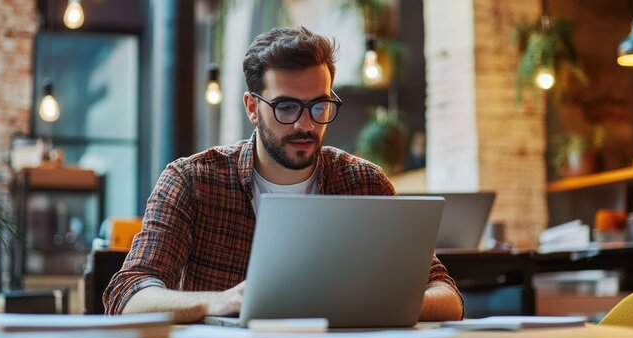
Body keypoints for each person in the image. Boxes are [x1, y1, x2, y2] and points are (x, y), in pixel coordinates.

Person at [103, 26, 463, 322]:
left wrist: (388, 306)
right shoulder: (192, 180)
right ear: (252, 108)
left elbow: (447, 295)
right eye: (286, 107)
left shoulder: (364, 182)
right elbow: (127, 295)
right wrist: (218, 301)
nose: (306, 124)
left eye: (319, 106)